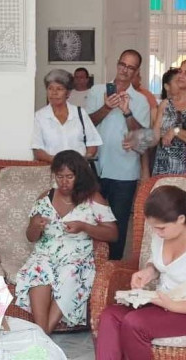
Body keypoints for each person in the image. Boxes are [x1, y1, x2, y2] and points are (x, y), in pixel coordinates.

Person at [15, 150, 117, 334]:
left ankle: (42, 334)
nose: (64, 182)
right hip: (45, 253)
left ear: (79, 176)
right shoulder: (45, 197)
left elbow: (113, 234)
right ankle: (42, 333)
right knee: (37, 271)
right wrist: (36, 227)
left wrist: (84, 227)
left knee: (71, 273)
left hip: (76, 257)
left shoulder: (93, 198)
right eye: (59, 176)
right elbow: (30, 237)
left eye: (69, 177)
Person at [96, 185, 186, 360]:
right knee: (110, 315)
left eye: (161, 228)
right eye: (154, 227)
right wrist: (149, 271)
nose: (157, 233)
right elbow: (161, 265)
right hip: (163, 301)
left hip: (181, 309)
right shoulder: (161, 236)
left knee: (135, 323)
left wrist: (173, 306)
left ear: (181, 219)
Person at [86, 49, 150, 260]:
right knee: (90, 220)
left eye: (130, 67)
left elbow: (142, 139)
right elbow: (87, 125)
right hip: (94, 169)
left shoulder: (140, 100)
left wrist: (127, 111)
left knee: (118, 223)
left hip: (124, 172)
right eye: (122, 64)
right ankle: (91, 268)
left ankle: (112, 270)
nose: (124, 70)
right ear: (117, 64)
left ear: (136, 71)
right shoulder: (97, 91)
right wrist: (106, 107)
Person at [32, 69, 102, 164]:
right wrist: (58, 162)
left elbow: (93, 143)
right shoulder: (39, 116)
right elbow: (37, 150)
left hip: (78, 170)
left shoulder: (80, 113)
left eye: (59, 89)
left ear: (68, 93)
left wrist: (84, 159)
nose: (54, 93)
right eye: (50, 88)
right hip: (51, 170)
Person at [151, 67, 186, 175]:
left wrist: (175, 131)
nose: (181, 75)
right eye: (181, 72)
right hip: (163, 168)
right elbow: (155, 138)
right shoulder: (165, 104)